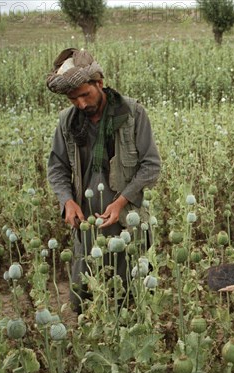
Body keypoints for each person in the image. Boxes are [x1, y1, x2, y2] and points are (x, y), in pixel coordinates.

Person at [46, 48, 161, 313]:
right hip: (87, 223)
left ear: (100, 82)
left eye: (85, 95)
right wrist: (67, 202)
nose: (81, 104)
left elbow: (151, 165)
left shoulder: (133, 114)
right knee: (84, 298)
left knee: (131, 297)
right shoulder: (67, 122)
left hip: (127, 221)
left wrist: (121, 201)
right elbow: (57, 168)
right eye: (73, 99)